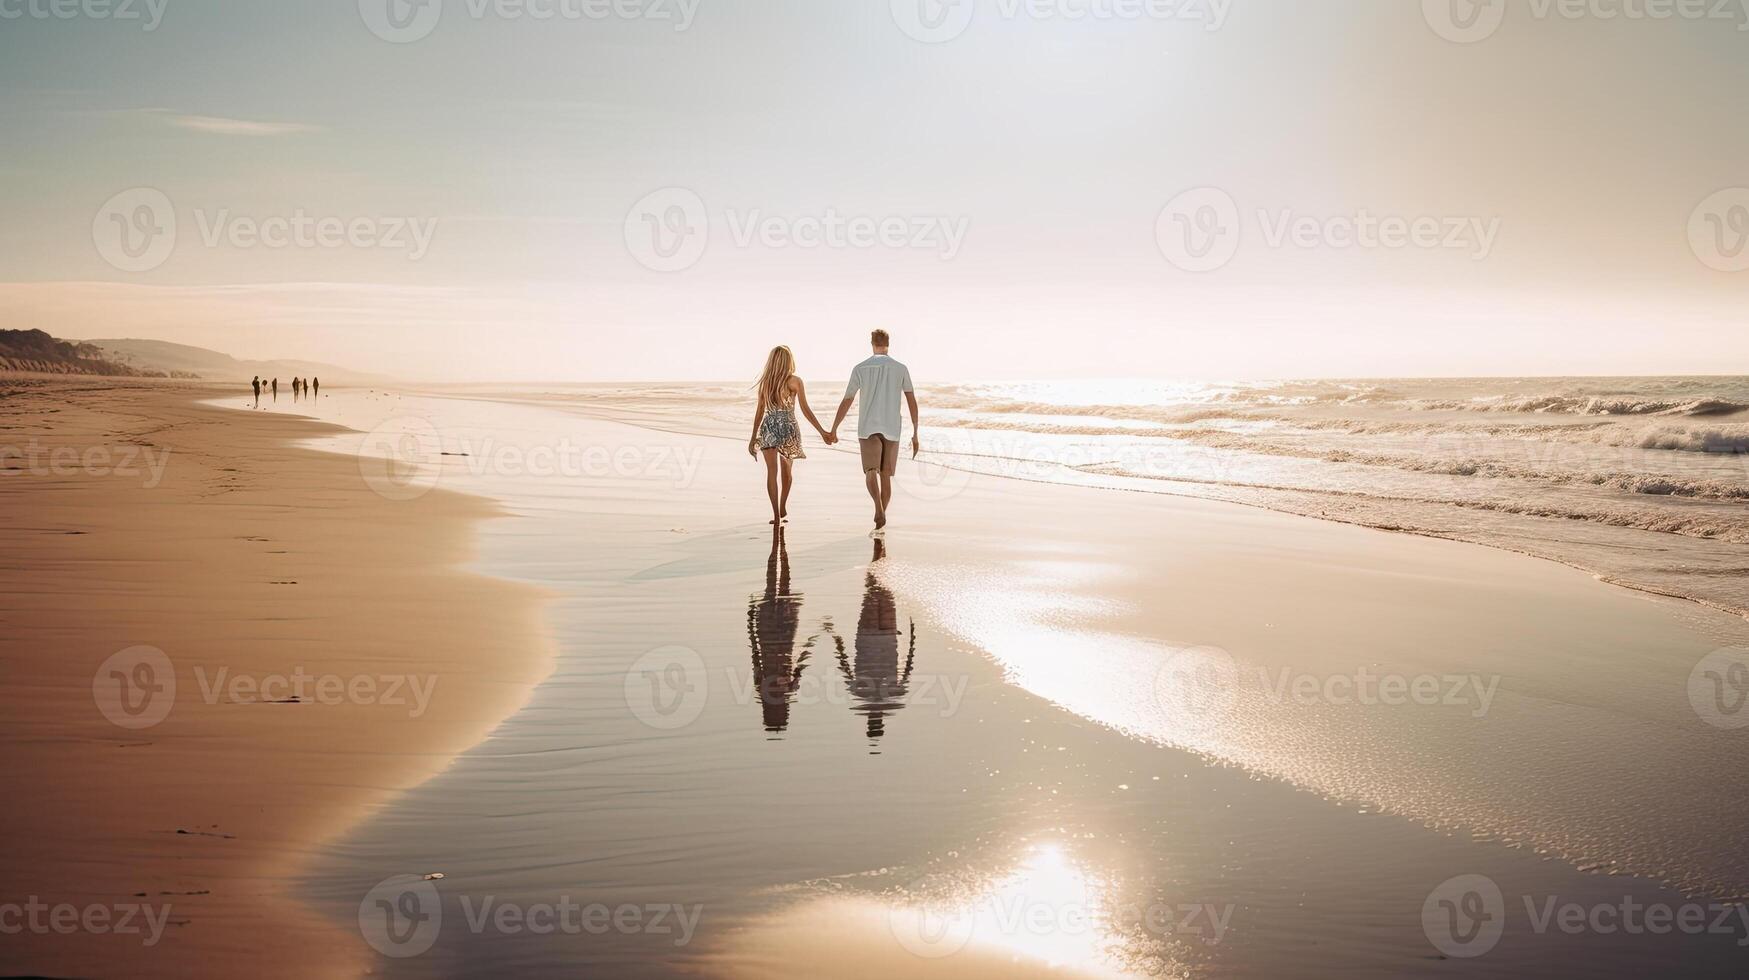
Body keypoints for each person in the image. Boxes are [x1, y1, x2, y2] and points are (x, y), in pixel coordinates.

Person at [829, 330, 919, 530]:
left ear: (871, 343)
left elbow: (848, 399)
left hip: (868, 426)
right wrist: (915, 432)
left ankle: (878, 507)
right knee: (885, 475)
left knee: (871, 470)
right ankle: (881, 516)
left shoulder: (861, 368)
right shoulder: (900, 368)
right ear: (888, 344)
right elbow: (911, 400)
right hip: (892, 427)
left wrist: (834, 428)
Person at [748, 345, 832, 525]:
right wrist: (822, 431)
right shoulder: (795, 381)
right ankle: (782, 505)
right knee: (786, 472)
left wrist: (753, 437)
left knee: (772, 473)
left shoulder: (766, 382)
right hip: (788, 427)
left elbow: (760, 412)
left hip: (769, 426)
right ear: (789, 361)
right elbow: (805, 410)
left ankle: (776, 515)